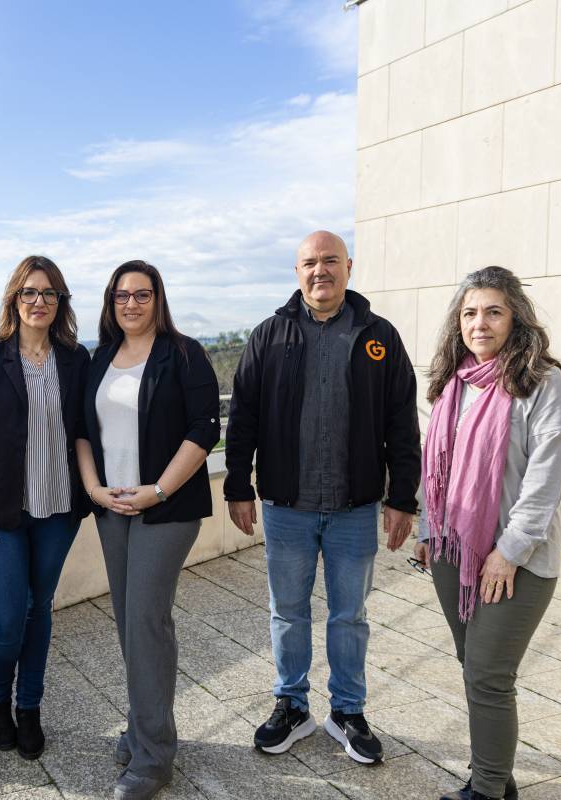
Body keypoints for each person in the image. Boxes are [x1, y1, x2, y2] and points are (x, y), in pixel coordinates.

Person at [224, 230, 421, 763]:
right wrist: (238, 486)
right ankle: (291, 705)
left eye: (330, 261)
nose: (320, 271)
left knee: (349, 615)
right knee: (287, 612)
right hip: (287, 505)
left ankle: (348, 712)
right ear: (297, 272)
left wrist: (403, 496)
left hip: (355, 506)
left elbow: (403, 422)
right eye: (309, 263)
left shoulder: (379, 337)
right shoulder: (269, 335)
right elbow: (241, 418)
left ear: (349, 267)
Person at [413, 266, 561, 800]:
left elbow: (545, 480)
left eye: (493, 311)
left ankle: (485, 790)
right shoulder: (454, 381)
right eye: (469, 312)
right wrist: (427, 528)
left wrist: (508, 553)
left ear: (515, 318)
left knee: (488, 675)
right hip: (452, 552)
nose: (479, 323)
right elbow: (436, 468)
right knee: (476, 670)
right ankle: (497, 780)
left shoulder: (541, 381)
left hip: (515, 561)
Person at [77, 260, 221, 800]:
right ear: (110, 303)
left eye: (142, 294)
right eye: (121, 296)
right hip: (112, 506)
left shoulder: (183, 354)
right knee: (129, 620)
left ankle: (153, 755)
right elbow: (81, 431)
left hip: (166, 507)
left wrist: (157, 489)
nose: (131, 304)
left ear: (158, 299)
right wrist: (94, 489)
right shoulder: (99, 359)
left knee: (145, 618)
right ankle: (143, 726)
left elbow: (205, 427)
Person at [0, 255, 92, 759]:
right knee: (9, 617)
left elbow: (82, 433)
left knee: (39, 611)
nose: (39, 301)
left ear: (61, 303)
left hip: (58, 510)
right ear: (14, 298)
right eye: (30, 292)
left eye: (50, 293)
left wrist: (94, 491)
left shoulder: (76, 360)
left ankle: (29, 707)